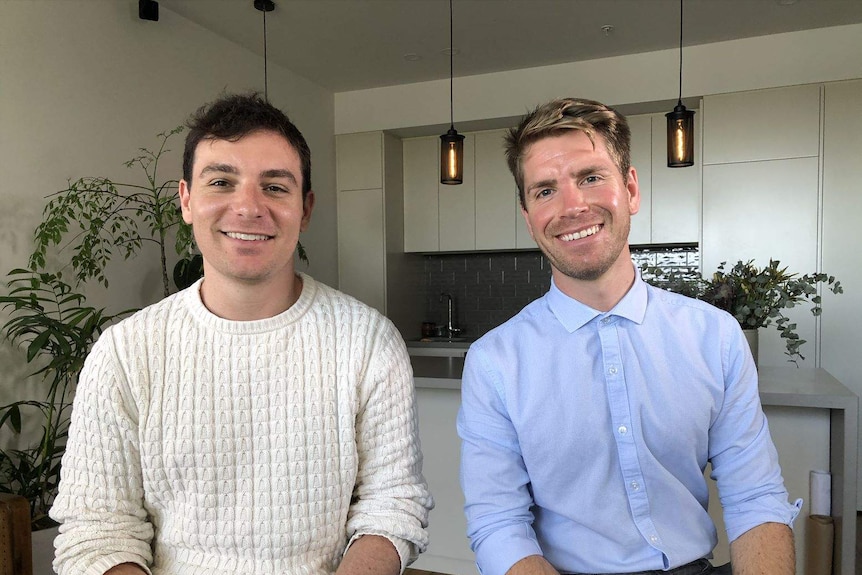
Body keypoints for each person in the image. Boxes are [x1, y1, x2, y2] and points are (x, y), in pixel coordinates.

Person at [50, 93, 433, 575]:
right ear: (187, 200)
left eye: (275, 187)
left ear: (305, 208)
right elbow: (96, 532)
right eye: (222, 182)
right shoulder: (126, 352)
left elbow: (393, 505)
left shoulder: (368, 341)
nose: (248, 207)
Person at [457, 97, 800, 575]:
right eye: (544, 190)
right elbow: (498, 524)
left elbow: (756, 497)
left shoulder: (715, 336)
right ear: (527, 213)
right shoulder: (494, 361)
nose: (572, 206)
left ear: (631, 189)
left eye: (591, 177)